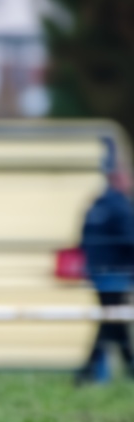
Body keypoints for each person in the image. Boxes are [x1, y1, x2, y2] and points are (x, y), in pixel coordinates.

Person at [75, 138, 134, 384]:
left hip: (98, 273)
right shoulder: (120, 206)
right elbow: (130, 239)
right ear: (118, 178)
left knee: (112, 320)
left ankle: (103, 371)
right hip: (116, 274)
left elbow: (82, 240)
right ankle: (90, 372)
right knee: (111, 321)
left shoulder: (96, 204)